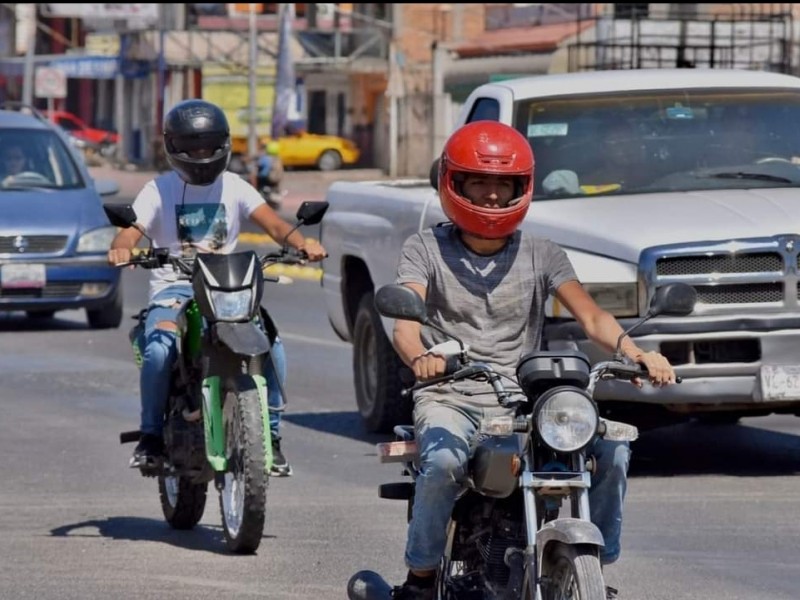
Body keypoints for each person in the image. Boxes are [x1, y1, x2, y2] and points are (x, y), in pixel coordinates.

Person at [387, 121, 677, 600]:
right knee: (440, 462)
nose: (493, 196)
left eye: (504, 184)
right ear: (453, 184)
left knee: (613, 450)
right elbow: (405, 323)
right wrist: (421, 358)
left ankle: (595, 571)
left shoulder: (542, 252)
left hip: (524, 400)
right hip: (453, 393)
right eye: (479, 182)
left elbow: (592, 317)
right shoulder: (424, 249)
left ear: (522, 187)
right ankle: (419, 578)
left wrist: (638, 353)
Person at [107, 99, 326, 477]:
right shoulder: (158, 191)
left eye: (208, 146)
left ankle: (271, 439)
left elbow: (275, 226)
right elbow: (129, 232)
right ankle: (151, 437)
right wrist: (123, 249)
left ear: (223, 145)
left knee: (272, 347)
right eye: (192, 147)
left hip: (227, 289)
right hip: (173, 288)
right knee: (159, 350)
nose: (201, 155)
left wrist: (301, 242)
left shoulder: (235, 187)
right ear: (174, 148)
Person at [254, 140, 284, 210]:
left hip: (266, 178)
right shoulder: (278, 158)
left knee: (253, 177)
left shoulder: (266, 158)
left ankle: (256, 192)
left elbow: (259, 165)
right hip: (276, 179)